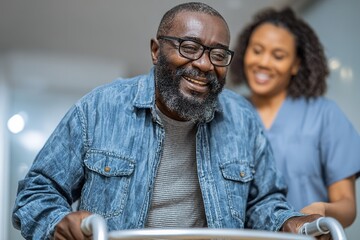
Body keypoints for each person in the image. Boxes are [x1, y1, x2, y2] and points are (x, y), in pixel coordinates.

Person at [13, 2, 327, 240]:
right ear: (155, 50)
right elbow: (36, 193)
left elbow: (263, 202)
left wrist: (291, 223)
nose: (204, 65)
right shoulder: (100, 107)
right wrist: (56, 222)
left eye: (218, 55)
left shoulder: (242, 118)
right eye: (189, 47)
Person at [230, 7, 360, 228]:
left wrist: (322, 210)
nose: (263, 62)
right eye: (257, 50)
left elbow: (347, 207)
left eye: (278, 56)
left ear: (296, 65)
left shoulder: (323, 115)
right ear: (245, 52)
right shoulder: (228, 112)